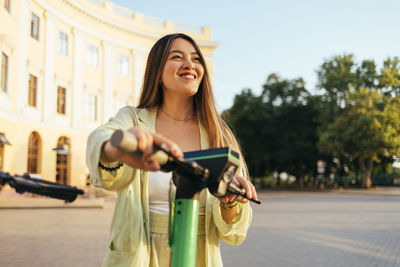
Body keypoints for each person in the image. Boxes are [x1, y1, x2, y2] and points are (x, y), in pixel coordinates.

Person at [86, 33, 258, 267]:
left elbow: (234, 233)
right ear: (157, 71)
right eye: (177, 57)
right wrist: (117, 146)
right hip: (140, 255)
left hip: (199, 257)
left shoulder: (219, 133)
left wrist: (230, 201)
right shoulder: (134, 119)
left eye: (196, 59)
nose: (190, 64)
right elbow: (101, 137)